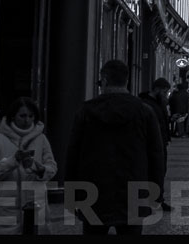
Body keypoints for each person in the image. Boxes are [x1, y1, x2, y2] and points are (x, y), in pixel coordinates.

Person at [66, 58, 165, 234]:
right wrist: (156, 192)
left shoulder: (86, 111)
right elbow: (156, 155)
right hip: (134, 189)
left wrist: (72, 194)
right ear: (126, 80)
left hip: (94, 191)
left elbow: (73, 153)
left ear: (104, 80)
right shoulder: (144, 112)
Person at [0, 97, 57, 234]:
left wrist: (42, 170)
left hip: (35, 205)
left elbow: (52, 166)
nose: (27, 120)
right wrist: (12, 161)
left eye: (31, 116)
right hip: (5, 210)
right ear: (13, 116)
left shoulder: (41, 139)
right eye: (22, 116)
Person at [139, 77, 172, 210]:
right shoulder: (146, 104)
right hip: (151, 144)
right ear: (157, 89)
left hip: (161, 142)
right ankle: (151, 200)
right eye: (164, 92)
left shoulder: (159, 103)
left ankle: (158, 199)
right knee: (153, 172)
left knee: (160, 171)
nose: (166, 95)